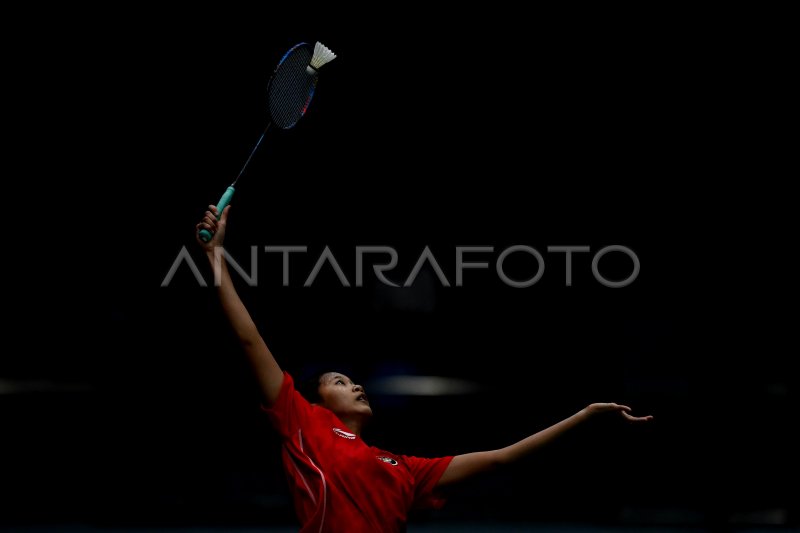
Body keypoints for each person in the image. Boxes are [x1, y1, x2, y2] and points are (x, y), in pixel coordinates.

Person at [195, 204, 654, 533]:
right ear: (317, 403)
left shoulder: (404, 469)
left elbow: (502, 456)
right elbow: (249, 337)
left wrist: (585, 416)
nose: (355, 385)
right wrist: (217, 257)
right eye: (338, 381)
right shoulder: (303, 423)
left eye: (352, 380)